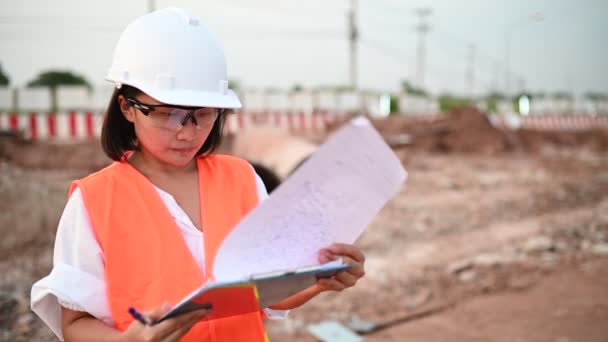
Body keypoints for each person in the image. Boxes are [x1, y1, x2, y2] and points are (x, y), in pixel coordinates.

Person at [31, 7, 366, 342]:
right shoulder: (94, 201)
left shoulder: (243, 179)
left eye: (203, 115)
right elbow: (74, 323)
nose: (187, 133)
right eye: (167, 114)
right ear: (127, 107)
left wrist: (317, 280)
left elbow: (266, 295)